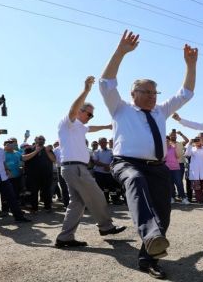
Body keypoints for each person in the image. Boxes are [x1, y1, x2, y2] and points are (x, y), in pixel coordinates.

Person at [100, 30, 197, 279]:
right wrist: (121, 52)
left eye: (155, 93)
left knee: (163, 213)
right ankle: (151, 234)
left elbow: (185, 93)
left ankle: (148, 257)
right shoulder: (120, 108)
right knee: (135, 180)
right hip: (126, 163)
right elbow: (106, 83)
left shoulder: (161, 112)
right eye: (146, 92)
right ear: (134, 94)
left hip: (157, 166)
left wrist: (190, 65)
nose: (152, 97)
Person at [55, 76, 127, 248]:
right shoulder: (68, 122)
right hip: (75, 168)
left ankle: (65, 238)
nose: (91, 117)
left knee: (77, 204)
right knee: (97, 195)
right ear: (80, 111)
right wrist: (86, 90)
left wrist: (107, 127)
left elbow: (91, 128)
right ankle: (106, 227)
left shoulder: (80, 126)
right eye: (89, 114)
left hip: (73, 168)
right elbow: (73, 110)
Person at [22, 135, 56, 212]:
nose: (42, 140)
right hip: (33, 176)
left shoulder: (48, 149)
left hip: (46, 175)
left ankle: (47, 207)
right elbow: (24, 158)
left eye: (43, 139)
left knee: (47, 191)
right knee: (33, 192)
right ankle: (34, 208)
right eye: (40, 139)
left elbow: (54, 159)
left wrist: (47, 151)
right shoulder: (29, 148)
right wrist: (36, 151)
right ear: (35, 140)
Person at [93, 137, 122, 204]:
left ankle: (114, 199)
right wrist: (105, 165)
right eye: (102, 142)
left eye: (105, 142)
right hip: (99, 172)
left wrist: (109, 166)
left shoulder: (111, 151)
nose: (104, 143)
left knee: (111, 187)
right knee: (101, 187)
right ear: (99, 143)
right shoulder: (96, 152)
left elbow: (114, 160)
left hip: (109, 172)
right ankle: (105, 200)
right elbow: (95, 161)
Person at [184, 136, 203, 204]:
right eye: (196, 140)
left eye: (198, 140)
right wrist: (190, 143)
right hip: (195, 171)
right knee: (197, 187)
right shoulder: (192, 149)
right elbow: (187, 154)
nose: (197, 142)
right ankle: (200, 200)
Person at [165, 135, 190, 204]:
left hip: (176, 168)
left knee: (179, 183)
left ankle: (184, 198)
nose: (166, 142)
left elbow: (178, 156)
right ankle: (172, 197)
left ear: (169, 141)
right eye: (164, 141)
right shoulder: (162, 149)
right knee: (170, 184)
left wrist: (175, 148)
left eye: (167, 141)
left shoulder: (174, 147)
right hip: (167, 169)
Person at [2, 138, 23, 215]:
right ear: (4, 145)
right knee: (5, 194)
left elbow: (22, 160)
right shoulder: (2, 154)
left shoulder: (18, 153)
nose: (11, 145)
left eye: (12, 143)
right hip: (6, 177)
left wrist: (22, 166)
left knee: (16, 194)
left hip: (17, 177)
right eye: (8, 143)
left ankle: (16, 210)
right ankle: (5, 210)